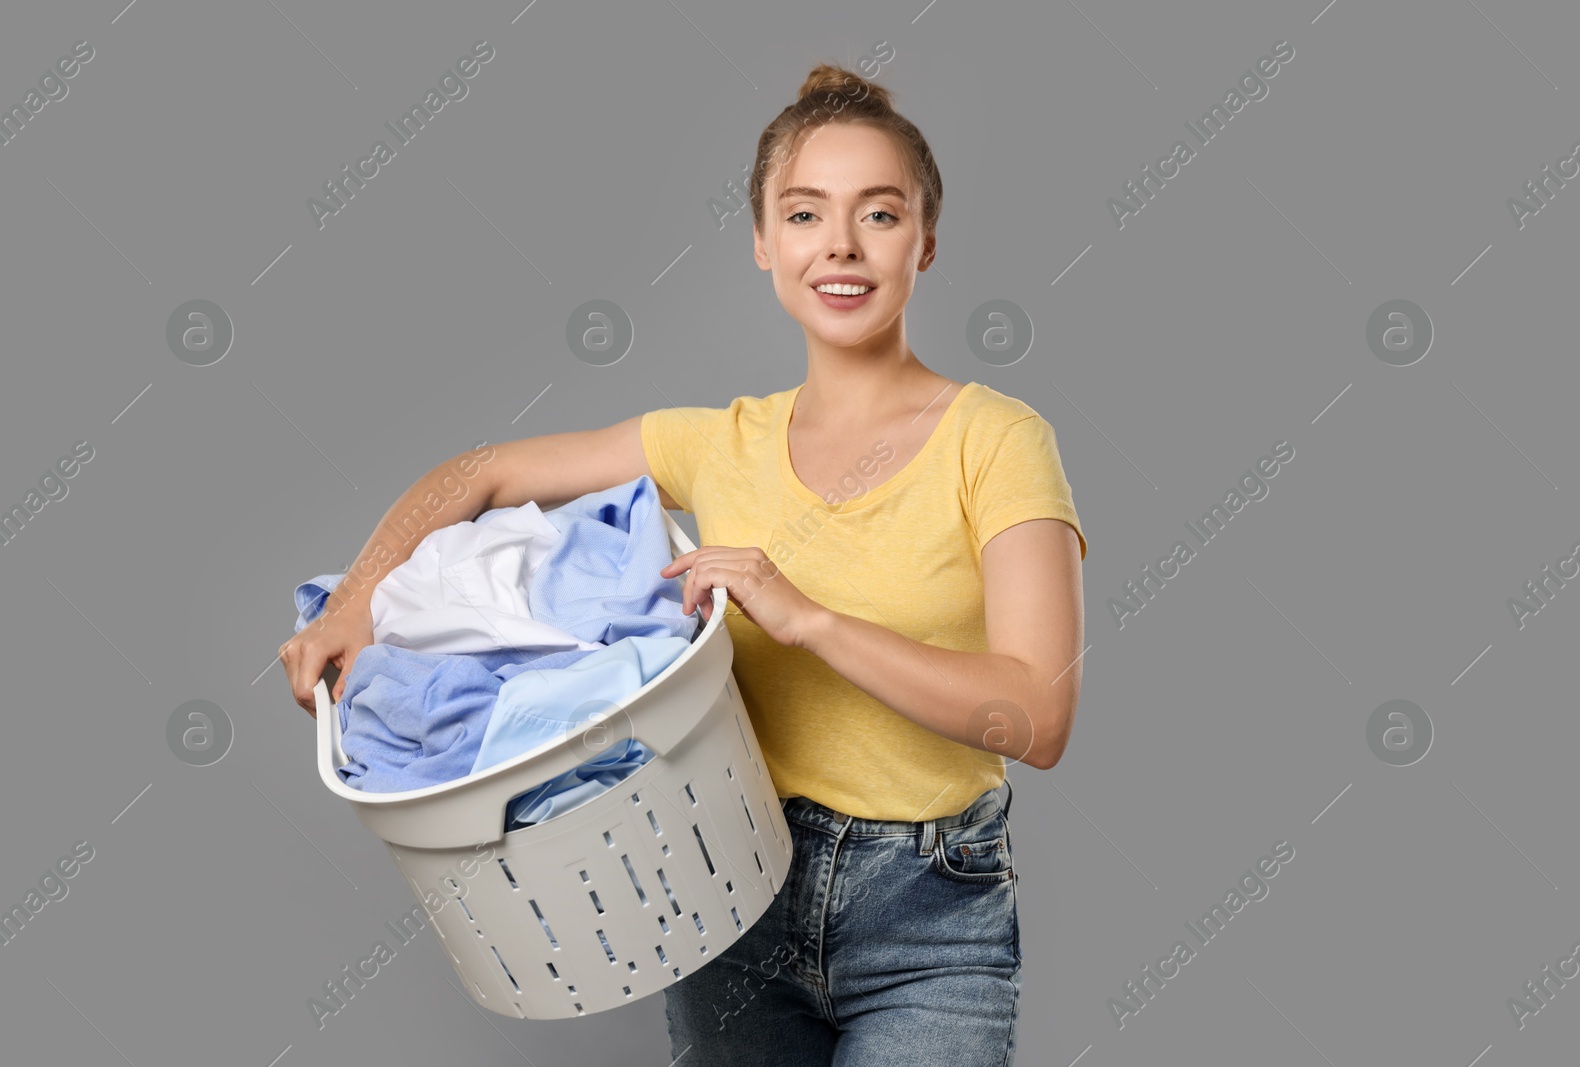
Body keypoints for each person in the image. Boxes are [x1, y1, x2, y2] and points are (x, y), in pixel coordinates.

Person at [280, 60, 1085, 1067]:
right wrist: (354, 601)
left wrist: (812, 620)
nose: (838, 244)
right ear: (761, 240)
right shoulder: (715, 443)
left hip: (929, 920)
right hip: (730, 893)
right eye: (803, 214)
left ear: (925, 238)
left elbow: (1036, 716)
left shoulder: (998, 440)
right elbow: (483, 472)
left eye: (878, 214)